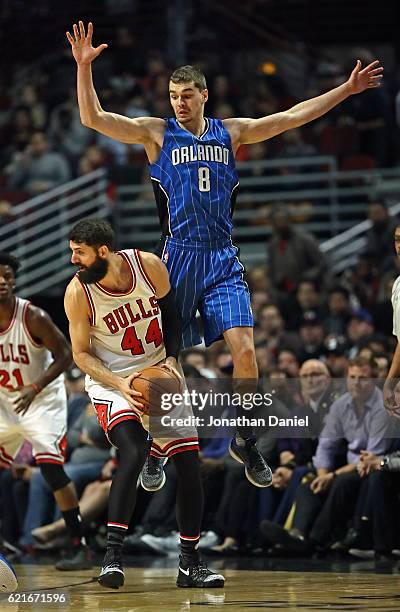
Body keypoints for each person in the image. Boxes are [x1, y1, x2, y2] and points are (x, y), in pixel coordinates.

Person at [66, 20, 382, 487]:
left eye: (188, 94)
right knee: (166, 364)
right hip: (174, 260)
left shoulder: (230, 134)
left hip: (221, 257)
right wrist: (84, 68)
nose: (180, 102)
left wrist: (345, 90)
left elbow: (293, 117)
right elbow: (93, 119)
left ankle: (245, 438)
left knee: (247, 351)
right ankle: (159, 448)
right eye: (174, 95)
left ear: (204, 95)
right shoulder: (156, 134)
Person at [64, 218, 224, 589]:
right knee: (132, 452)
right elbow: (81, 355)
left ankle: (190, 563)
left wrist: (171, 359)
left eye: (80, 253)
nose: (74, 260)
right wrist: (120, 381)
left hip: (158, 370)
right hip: (112, 380)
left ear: (103, 252)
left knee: (189, 462)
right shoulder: (78, 293)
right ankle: (112, 557)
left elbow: (172, 317)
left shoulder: (148, 266)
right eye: (72, 252)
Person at [0, 252, 91, 570]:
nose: (1, 281)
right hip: (9, 397)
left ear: (14, 280)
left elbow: (66, 354)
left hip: (42, 397)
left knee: (51, 470)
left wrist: (35, 387)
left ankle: (79, 545)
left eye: (7, 276)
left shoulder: (33, 316)